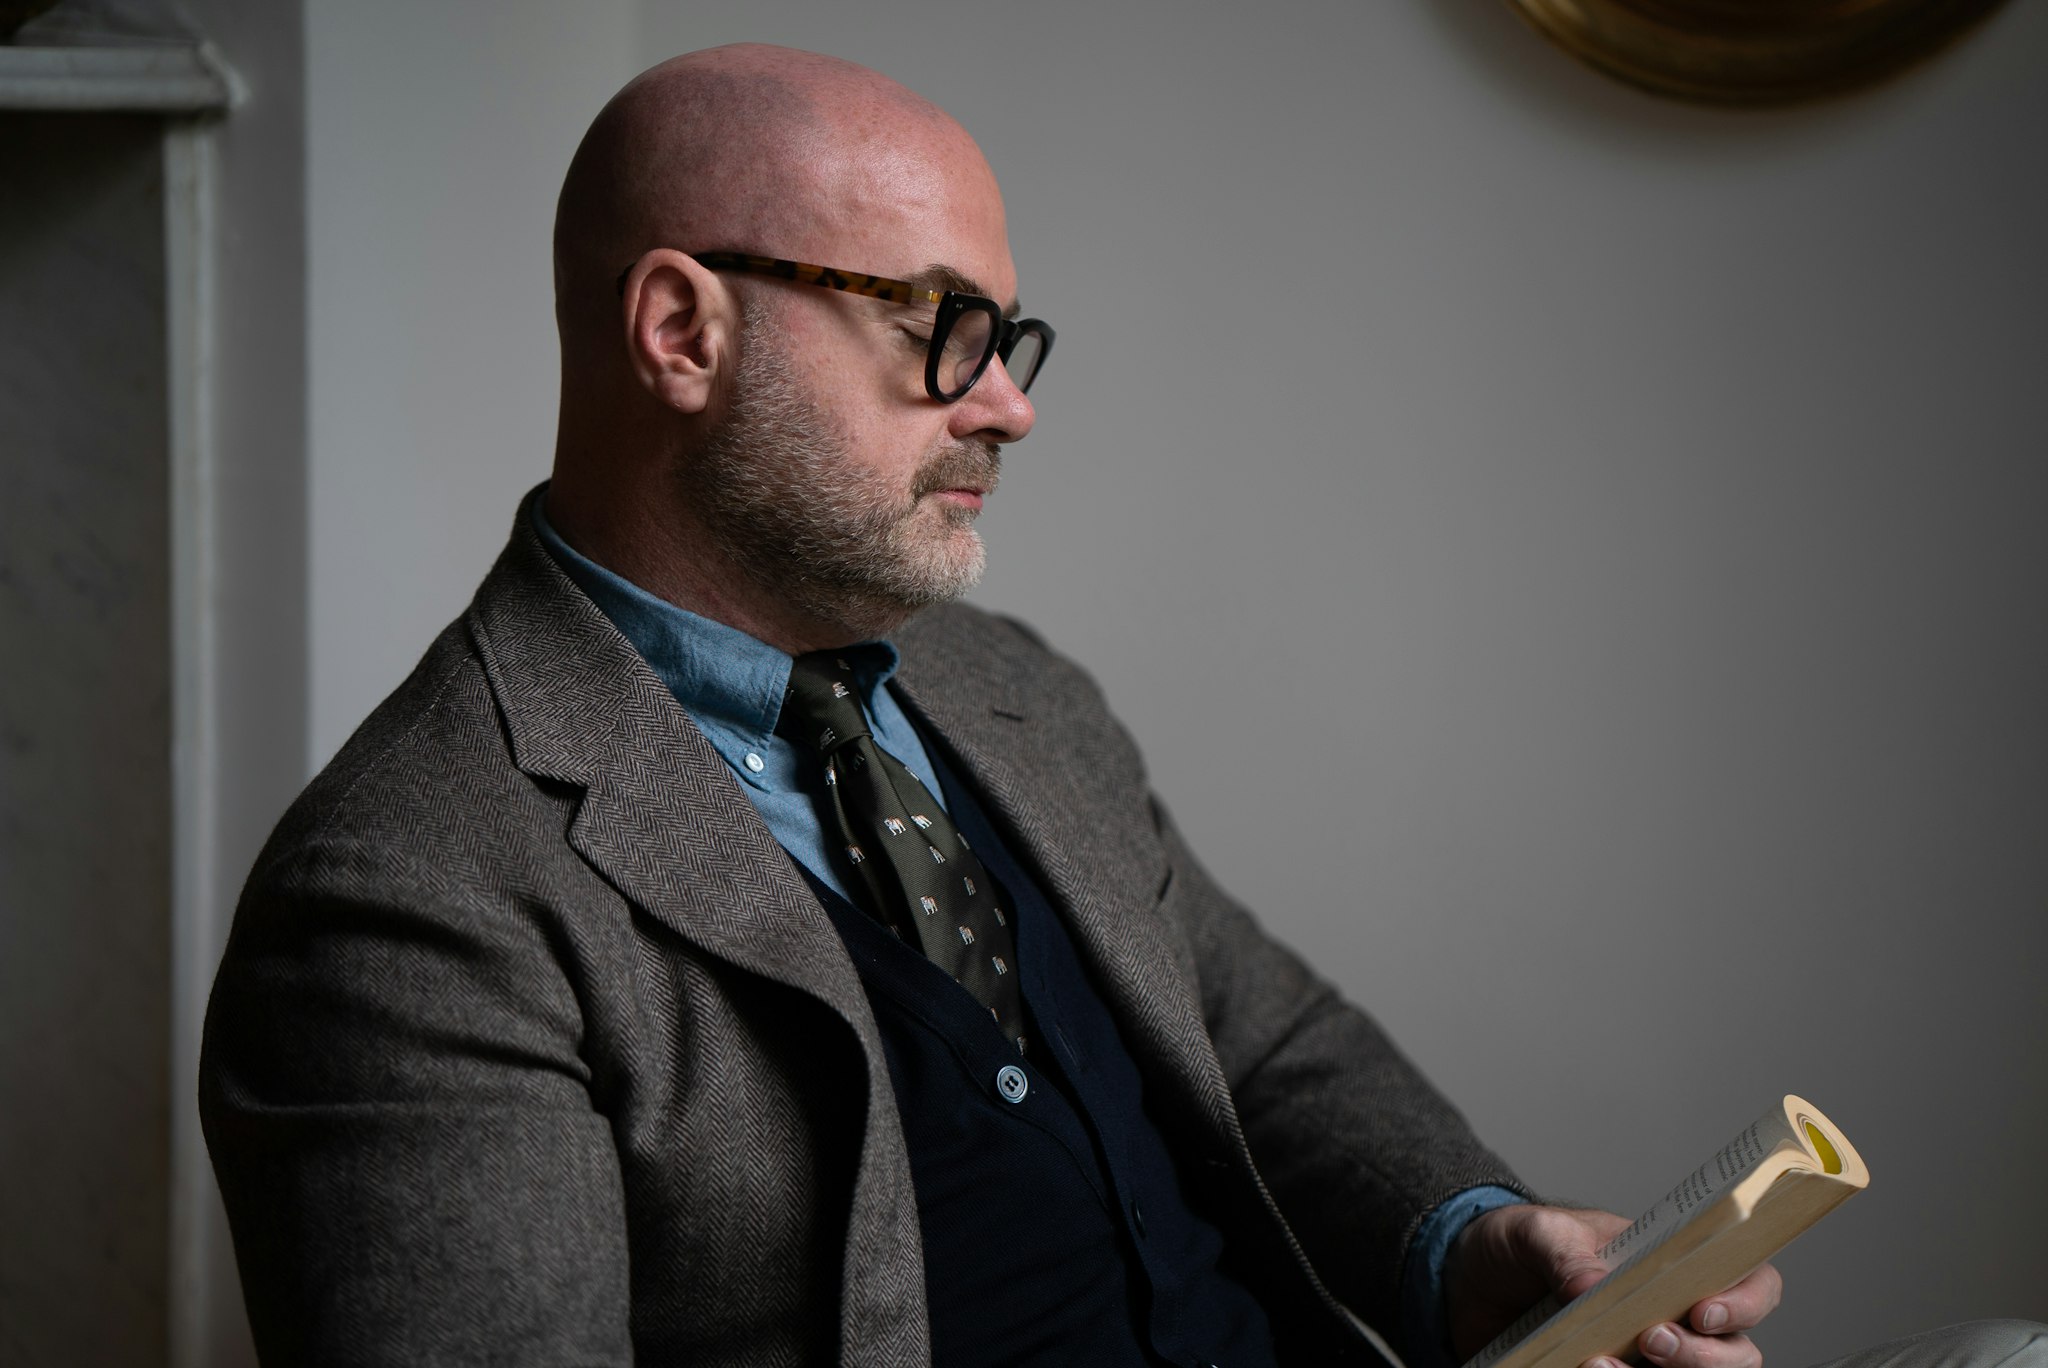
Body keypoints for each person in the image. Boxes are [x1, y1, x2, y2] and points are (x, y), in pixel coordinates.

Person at [197, 43, 2041, 1368]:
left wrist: (1473, 1244)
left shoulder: (1005, 686)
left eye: (1008, 338)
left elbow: (1262, 1037)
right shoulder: (407, 902)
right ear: (684, 332)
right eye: (938, 325)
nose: (1007, 405)